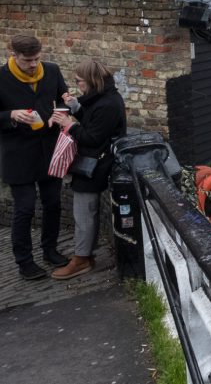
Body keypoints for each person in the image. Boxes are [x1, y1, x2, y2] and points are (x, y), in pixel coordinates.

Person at [49, 58, 126, 279]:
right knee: (85, 212)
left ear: (91, 80)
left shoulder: (108, 104)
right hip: (96, 162)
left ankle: (82, 260)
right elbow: (94, 123)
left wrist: (69, 125)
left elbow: (92, 137)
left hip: (96, 165)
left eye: (79, 81)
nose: (77, 85)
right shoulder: (105, 98)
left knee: (84, 213)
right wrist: (76, 107)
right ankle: (85, 255)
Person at [0, 34, 69, 280]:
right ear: (14, 55)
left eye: (37, 59)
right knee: (25, 209)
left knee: (53, 204)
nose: (33, 65)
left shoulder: (51, 70)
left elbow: (65, 101)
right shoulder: (1, 77)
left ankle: (50, 250)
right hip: (18, 154)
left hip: (49, 150)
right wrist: (11, 115)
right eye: (28, 60)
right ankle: (25, 262)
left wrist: (58, 115)